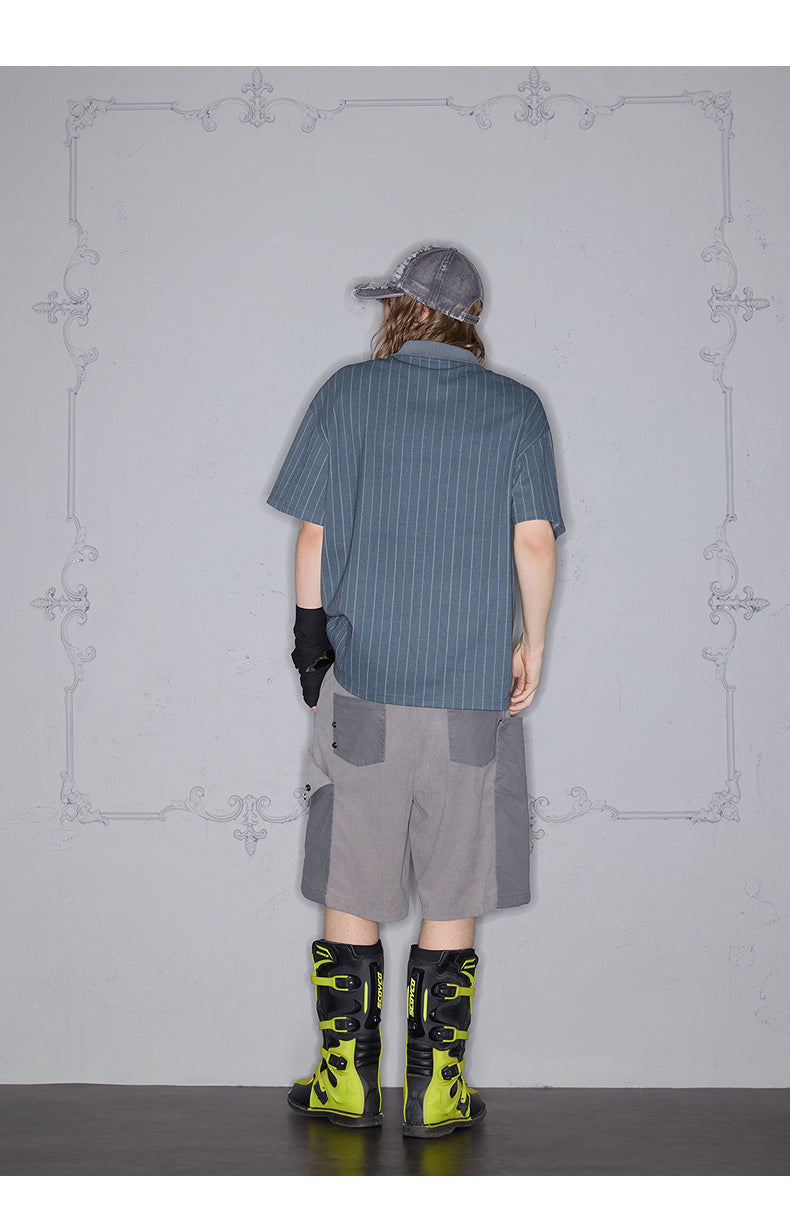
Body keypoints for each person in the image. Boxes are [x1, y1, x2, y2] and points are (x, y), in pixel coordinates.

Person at [266, 244, 564, 1138]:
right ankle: (437, 1094)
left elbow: (313, 535)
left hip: (367, 686)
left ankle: (347, 1086)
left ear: (405, 310)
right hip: (472, 691)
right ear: (471, 320)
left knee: (352, 876)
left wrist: (310, 646)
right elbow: (535, 540)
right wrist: (531, 643)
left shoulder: (347, 393)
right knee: (455, 882)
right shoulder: (517, 407)